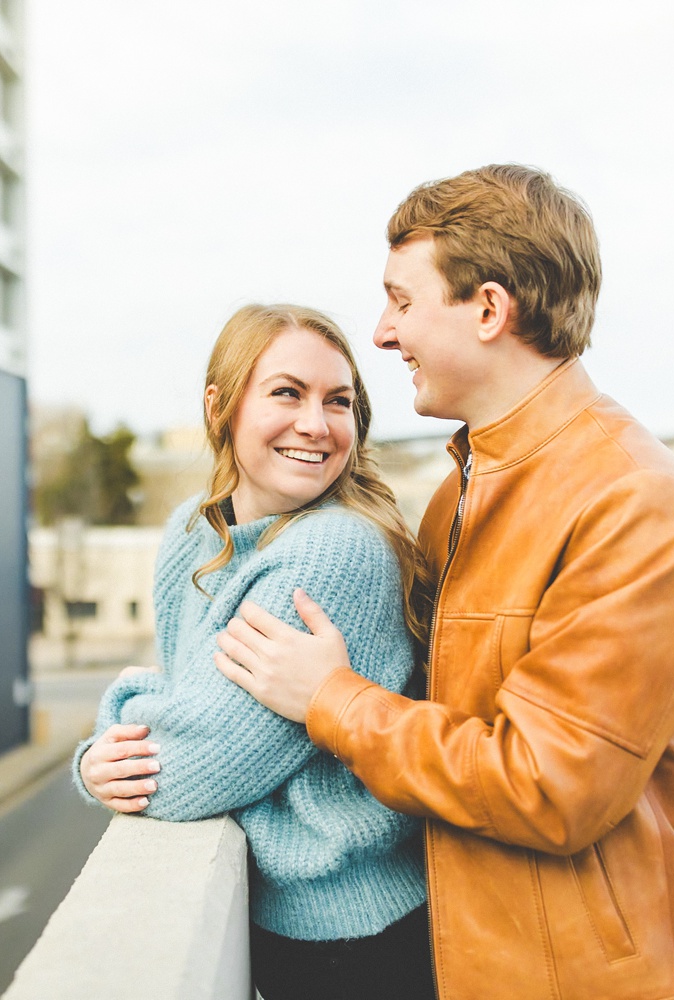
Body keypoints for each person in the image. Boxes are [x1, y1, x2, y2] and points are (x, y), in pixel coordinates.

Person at [212, 166, 674, 1000]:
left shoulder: (632, 500)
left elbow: (551, 787)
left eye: (402, 301)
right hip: (474, 963)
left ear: (490, 310)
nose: (384, 335)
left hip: (604, 981)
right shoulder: (461, 490)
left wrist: (334, 699)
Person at [75, 304, 437, 1000]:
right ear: (221, 407)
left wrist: (115, 714)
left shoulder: (336, 550)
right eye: (286, 392)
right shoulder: (195, 528)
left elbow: (184, 767)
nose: (317, 423)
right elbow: (187, 703)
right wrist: (111, 750)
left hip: (354, 942)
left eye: (339, 401)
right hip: (285, 931)